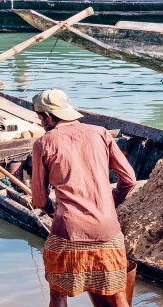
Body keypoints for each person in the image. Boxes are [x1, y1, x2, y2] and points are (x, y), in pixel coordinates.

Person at [31, 89, 137, 307]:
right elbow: (129, 180)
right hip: (107, 232)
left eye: (40, 117)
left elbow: (39, 200)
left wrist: (54, 211)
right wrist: (110, 203)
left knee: (58, 296)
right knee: (118, 295)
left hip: (67, 233)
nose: (41, 123)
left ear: (49, 116)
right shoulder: (100, 133)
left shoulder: (43, 143)